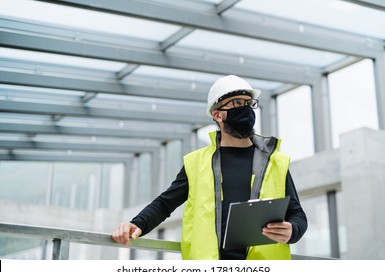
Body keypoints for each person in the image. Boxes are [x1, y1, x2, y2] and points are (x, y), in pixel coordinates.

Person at [112, 75, 307, 260]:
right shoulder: (196, 163)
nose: (246, 109)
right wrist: (136, 224)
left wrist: (292, 230)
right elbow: (165, 204)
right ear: (217, 115)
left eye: (249, 103)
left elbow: (297, 215)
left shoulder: (275, 161)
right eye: (238, 103)